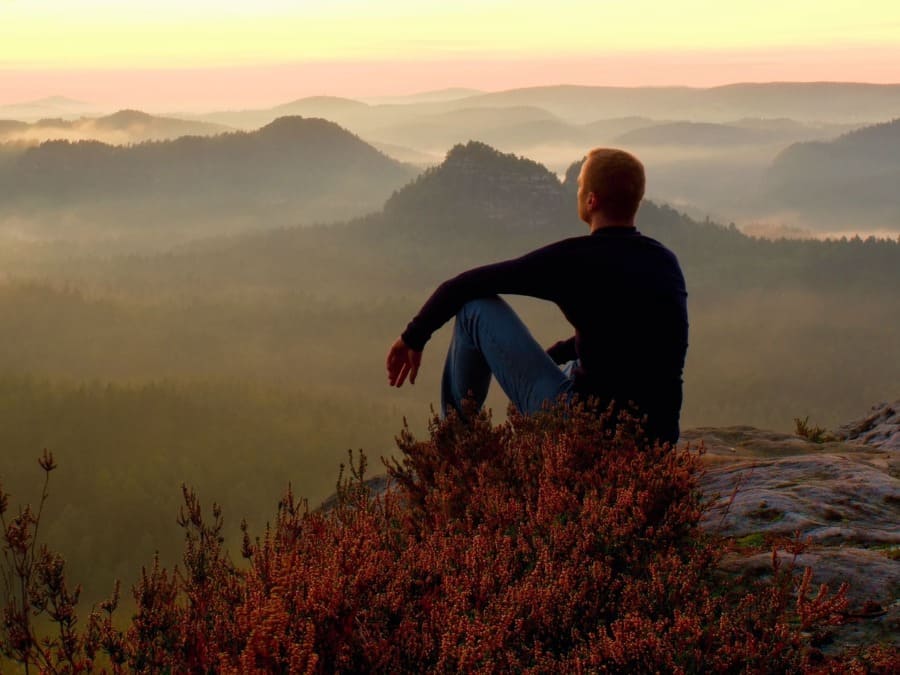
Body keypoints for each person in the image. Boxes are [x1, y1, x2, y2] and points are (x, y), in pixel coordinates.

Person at [385, 148, 688, 444]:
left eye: (580, 186)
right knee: (571, 368)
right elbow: (623, 336)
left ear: (591, 200)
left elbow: (465, 285)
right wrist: (549, 357)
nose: (578, 192)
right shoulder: (665, 261)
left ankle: (455, 444)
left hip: (586, 436)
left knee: (474, 310)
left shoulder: (574, 260)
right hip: (657, 440)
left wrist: (413, 337)